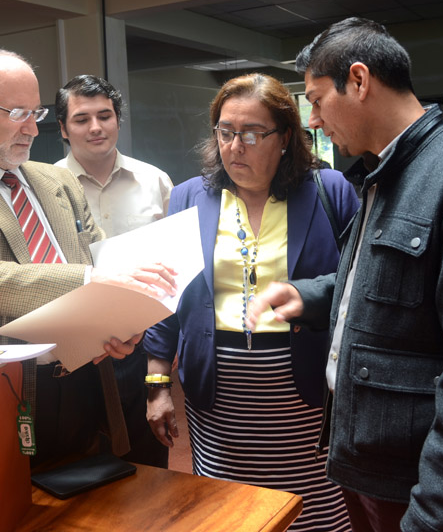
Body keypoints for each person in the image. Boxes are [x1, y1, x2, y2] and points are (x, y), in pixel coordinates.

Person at [248, 17, 443, 532]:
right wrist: (308, 298)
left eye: (315, 99)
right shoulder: (385, 171)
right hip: (368, 463)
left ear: (358, 81)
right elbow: (386, 287)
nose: (312, 120)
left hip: (419, 482)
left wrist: (436, 513)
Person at [0, 50, 176, 469]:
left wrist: (122, 326)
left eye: (37, 112)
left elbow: (101, 253)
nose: (31, 127)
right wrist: (93, 278)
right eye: (17, 112)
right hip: (4, 388)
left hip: (88, 375)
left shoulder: (56, 179)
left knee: (99, 500)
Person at [144, 73, 359, 531]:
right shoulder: (188, 197)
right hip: (219, 399)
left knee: (313, 508)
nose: (234, 146)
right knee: (228, 510)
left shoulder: (330, 191)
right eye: (224, 132)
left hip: (307, 394)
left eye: (251, 134)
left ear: (284, 138)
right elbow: (166, 296)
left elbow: (359, 278)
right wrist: (157, 385)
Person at [54, 74, 173, 468]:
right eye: (81, 119)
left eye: (105, 115)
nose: (95, 127)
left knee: (149, 460)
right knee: (80, 463)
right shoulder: (44, 188)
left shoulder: (155, 181)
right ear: (62, 129)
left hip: (143, 342)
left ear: (118, 120)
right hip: (74, 351)